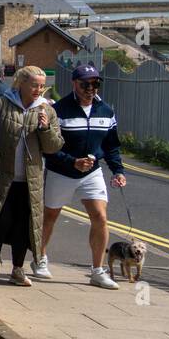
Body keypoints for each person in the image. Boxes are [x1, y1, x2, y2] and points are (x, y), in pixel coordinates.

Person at [40, 63, 127, 290]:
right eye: (85, 84)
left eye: (95, 84)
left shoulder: (106, 111)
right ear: (74, 84)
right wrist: (72, 162)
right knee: (50, 216)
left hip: (92, 172)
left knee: (100, 216)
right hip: (62, 171)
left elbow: (111, 146)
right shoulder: (59, 109)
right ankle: (40, 258)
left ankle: (97, 271)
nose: (91, 88)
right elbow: (49, 147)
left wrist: (118, 170)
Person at [0, 65, 63, 286]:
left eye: (42, 86)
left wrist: (45, 129)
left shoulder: (47, 110)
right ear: (21, 83)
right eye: (34, 85)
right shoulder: (3, 104)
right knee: (0, 220)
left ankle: (18, 268)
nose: (38, 90)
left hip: (30, 179)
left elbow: (54, 147)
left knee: (24, 224)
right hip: (3, 175)